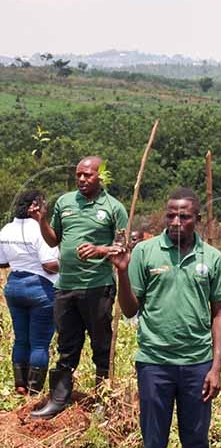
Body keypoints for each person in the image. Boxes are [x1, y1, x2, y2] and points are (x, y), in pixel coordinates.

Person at [109, 188, 221, 448]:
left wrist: (216, 367)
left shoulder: (212, 258)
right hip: (154, 363)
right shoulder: (146, 253)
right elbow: (131, 310)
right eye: (171, 215)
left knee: (195, 440)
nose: (177, 222)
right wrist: (121, 273)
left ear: (196, 218)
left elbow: (219, 313)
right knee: (154, 441)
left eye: (185, 216)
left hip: (197, 364)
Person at [32, 156, 128, 419]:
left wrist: (100, 250)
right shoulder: (64, 202)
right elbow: (54, 241)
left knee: (101, 345)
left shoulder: (113, 207)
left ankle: (102, 400)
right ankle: (59, 399)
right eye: (79, 175)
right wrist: (42, 221)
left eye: (88, 175)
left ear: (101, 177)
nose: (83, 179)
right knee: (66, 344)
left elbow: (122, 247)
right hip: (66, 287)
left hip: (98, 287)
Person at [0, 190, 60, 395]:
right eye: (43, 204)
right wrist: (69, 263)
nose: (46, 208)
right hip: (40, 288)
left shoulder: (6, 229)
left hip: (14, 286)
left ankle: (20, 386)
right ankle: (34, 392)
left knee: (21, 339)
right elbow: (49, 265)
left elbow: (2, 262)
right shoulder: (39, 230)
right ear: (34, 206)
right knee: (40, 343)